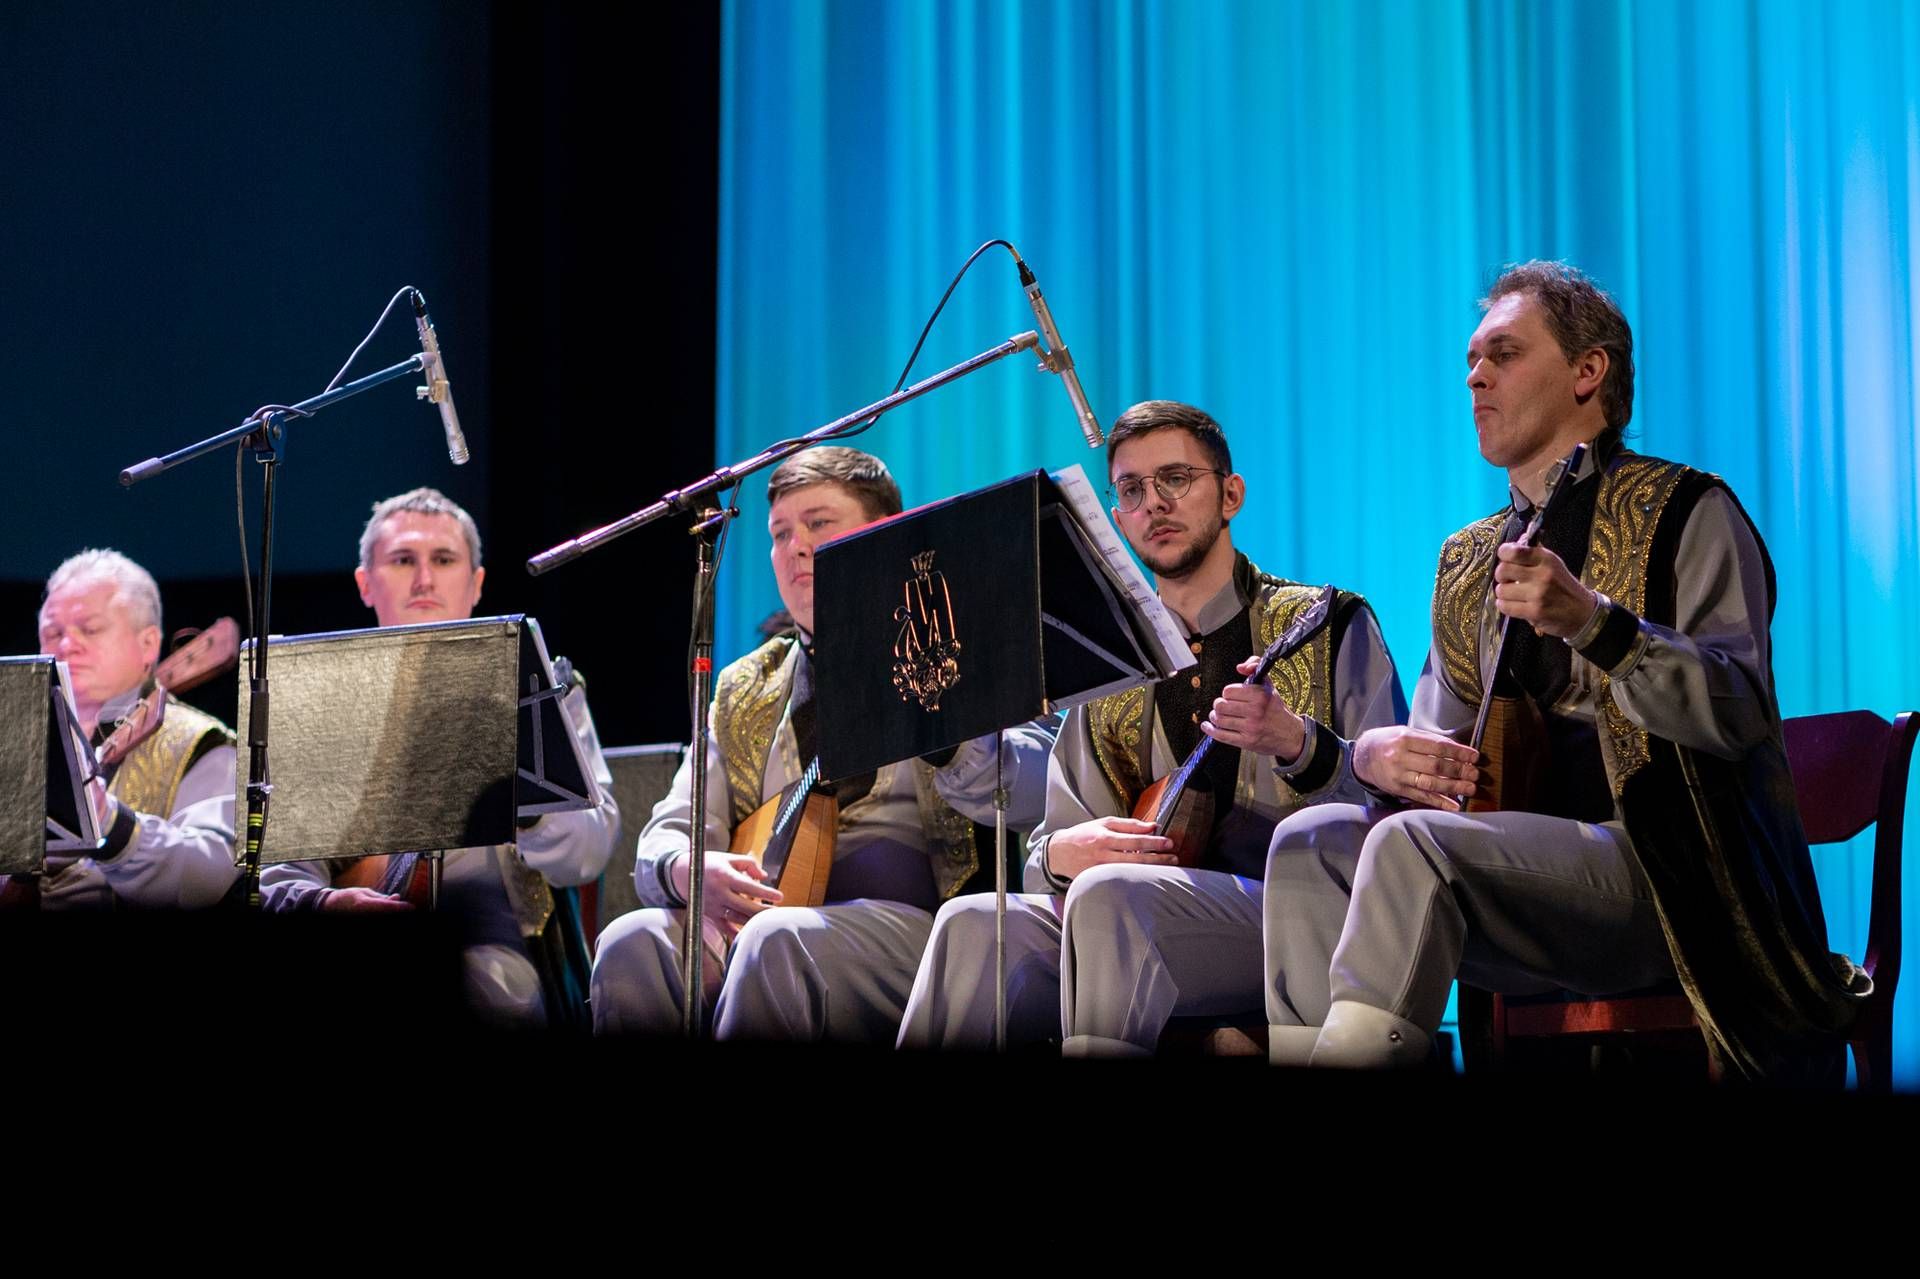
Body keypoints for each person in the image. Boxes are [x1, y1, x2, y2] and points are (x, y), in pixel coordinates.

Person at [1262, 261, 1863, 1081]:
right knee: (1310, 843)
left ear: (1588, 371)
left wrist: (1595, 624)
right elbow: (1443, 758)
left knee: (1412, 848)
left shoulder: (1686, 509)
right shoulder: (1468, 557)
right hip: (1523, 878)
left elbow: (1737, 712)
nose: (1475, 375)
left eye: (1504, 354)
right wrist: (1375, 758)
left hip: (1675, 879)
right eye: (1472, 359)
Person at [897, 401, 1404, 1054]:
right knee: (973, 922)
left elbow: (1392, 815)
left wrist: (1300, 745)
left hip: (1299, 918)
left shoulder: (1325, 623)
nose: (1153, 503)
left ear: (1231, 494)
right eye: (1131, 490)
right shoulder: (1113, 663)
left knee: (1112, 896)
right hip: (1134, 918)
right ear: (1116, 520)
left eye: (1176, 478)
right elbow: (1053, 841)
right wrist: (1061, 853)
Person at [590, 446, 1056, 1042]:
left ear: (887, 531)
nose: (796, 547)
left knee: (776, 939)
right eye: (780, 533)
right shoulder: (745, 686)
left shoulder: (955, 645)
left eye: (818, 523)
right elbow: (672, 827)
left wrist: (950, 743)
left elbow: (1040, 785)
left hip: (926, 934)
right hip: (773, 919)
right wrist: (688, 868)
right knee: (632, 940)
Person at [259, 487, 619, 1028]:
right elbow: (278, 872)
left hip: (501, 954)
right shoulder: (322, 701)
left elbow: (589, 852)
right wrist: (325, 905)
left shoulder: (546, 688)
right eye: (403, 560)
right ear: (365, 583)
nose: (424, 579)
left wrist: (528, 803)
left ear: (476, 582)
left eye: (444, 560)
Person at [7, 549, 238, 909]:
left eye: (90, 629)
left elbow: (211, 877)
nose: (66, 645)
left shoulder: (200, 743)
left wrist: (112, 827)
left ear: (148, 644)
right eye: (52, 632)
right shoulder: (15, 742)